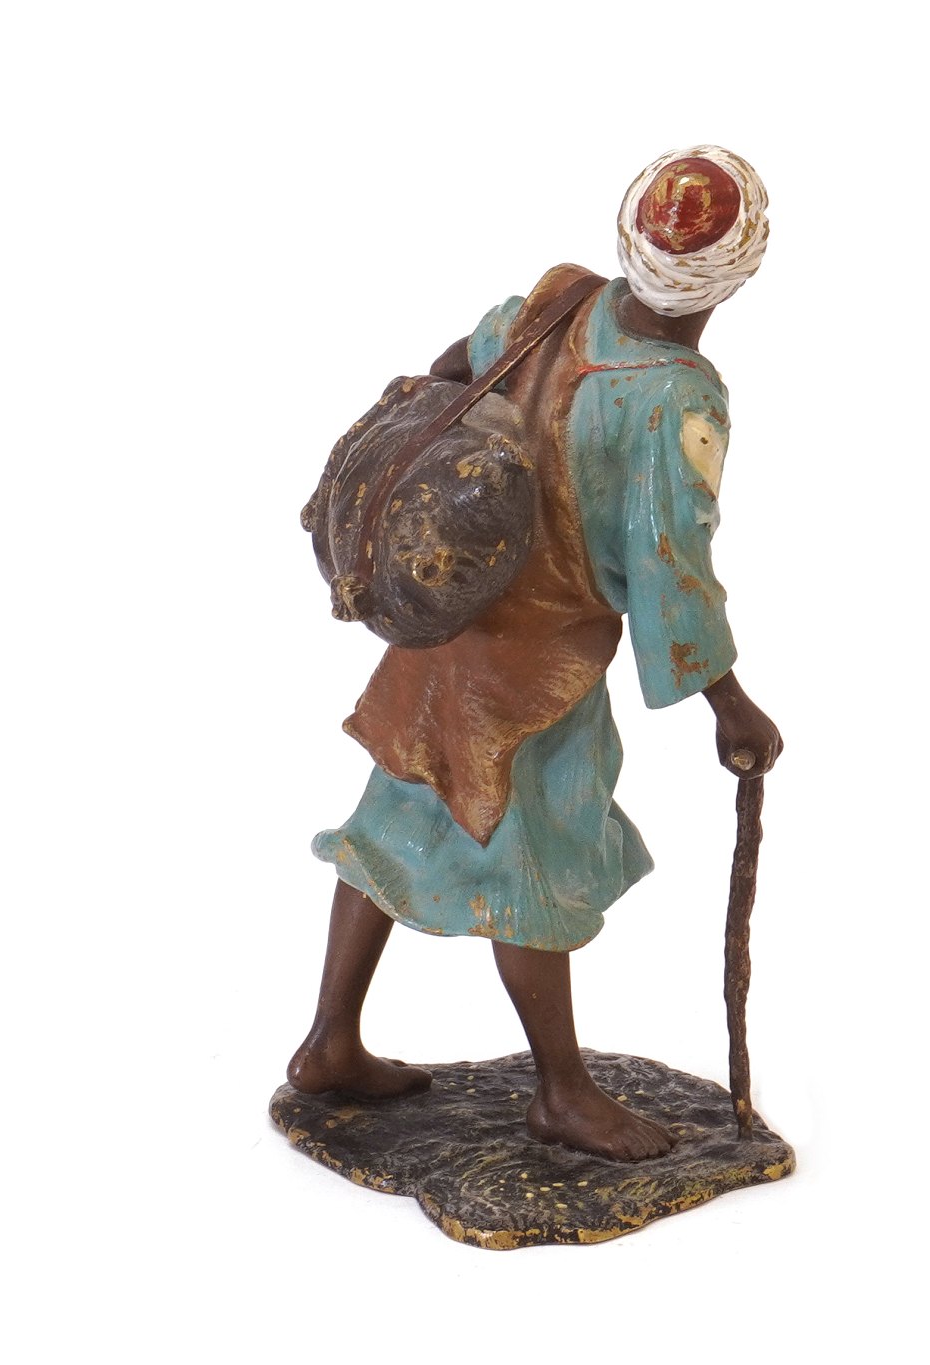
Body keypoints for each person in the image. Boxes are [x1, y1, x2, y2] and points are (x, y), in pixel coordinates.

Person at [288, 146, 782, 1162]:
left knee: (392, 817)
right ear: (737, 274)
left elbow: (452, 370)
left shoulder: (559, 303)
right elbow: (669, 565)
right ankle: (561, 1093)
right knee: (536, 859)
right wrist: (728, 700)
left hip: (442, 620)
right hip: (536, 671)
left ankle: (330, 1039)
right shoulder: (676, 398)